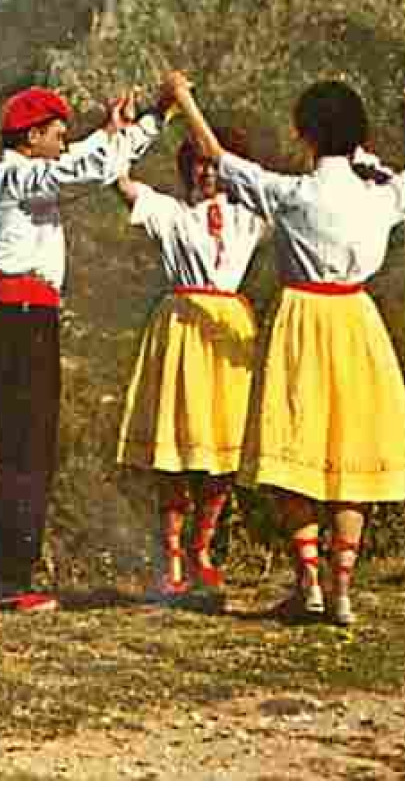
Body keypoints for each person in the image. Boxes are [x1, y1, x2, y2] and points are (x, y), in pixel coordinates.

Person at [171, 73, 405, 626]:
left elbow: (216, 156)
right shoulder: (378, 195)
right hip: (357, 319)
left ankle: (309, 579)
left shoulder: (292, 193)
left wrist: (185, 99)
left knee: (297, 451)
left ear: (304, 134)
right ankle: (341, 587)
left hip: (302, 319)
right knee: (349, 452)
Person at [0, 79, 174, 614]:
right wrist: (119, 132)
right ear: (33, 135)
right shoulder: (16, 177)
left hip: (14, 320)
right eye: (57, 133)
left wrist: (148, 122)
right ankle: (8, 580)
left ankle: (0, 575)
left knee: (23, 454)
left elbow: (87, 158)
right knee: (29, 454)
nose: (64, 141)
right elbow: (86, 167)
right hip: (21, 322)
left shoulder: (13, 175)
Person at [113, 130, 267, 600]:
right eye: (197, 164)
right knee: (175, 446)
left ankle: (202, 550)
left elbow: (299, 202)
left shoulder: (250, 218)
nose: (206, 173)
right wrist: (122, 137)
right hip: (181, 327)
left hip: (229, 331)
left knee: (225, 446)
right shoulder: (171, 213)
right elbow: (120, 182)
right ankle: (173, 557)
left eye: (214, 164)